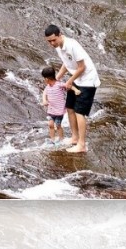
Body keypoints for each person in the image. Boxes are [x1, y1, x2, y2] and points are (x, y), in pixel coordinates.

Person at [45, 24, 100, 153]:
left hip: (87, 80)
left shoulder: (72, 45)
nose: (52, 43)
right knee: (70, 108)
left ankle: (82, 145)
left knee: (79, 112)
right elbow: (66, 63)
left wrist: (69, 81)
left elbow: (82, 67)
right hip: (77, 79)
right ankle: (74, 138)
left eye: (54, 40)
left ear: (60, 35)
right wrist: (56, 79)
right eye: (49, 41)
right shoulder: (59, 47)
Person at [38, 65, 76, 146]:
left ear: (46, 79)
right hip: (51, 110)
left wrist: (76, 90)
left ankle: (61, 139)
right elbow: (45, 94)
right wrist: (44, 100)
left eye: (44, 78)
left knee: (58, 125)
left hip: (59, 111)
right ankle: (52, 140)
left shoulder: (59, 85)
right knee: (51, 125)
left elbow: (68, 86)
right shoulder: (48, 86)